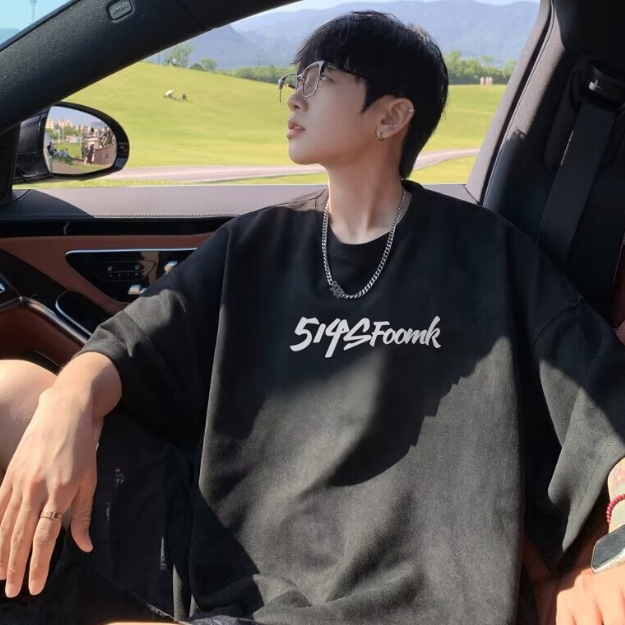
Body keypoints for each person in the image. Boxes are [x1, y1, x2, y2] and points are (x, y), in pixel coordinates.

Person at [1, 10, 625, 625]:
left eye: (320, 77)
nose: (294, 96)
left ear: (391, 116)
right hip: (225, 558)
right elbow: (135, 340)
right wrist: (70, 399)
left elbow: (600, 392)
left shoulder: (489, 255)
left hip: (412, 595)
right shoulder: (255, 242)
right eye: (293, 80)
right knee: (15, 394)